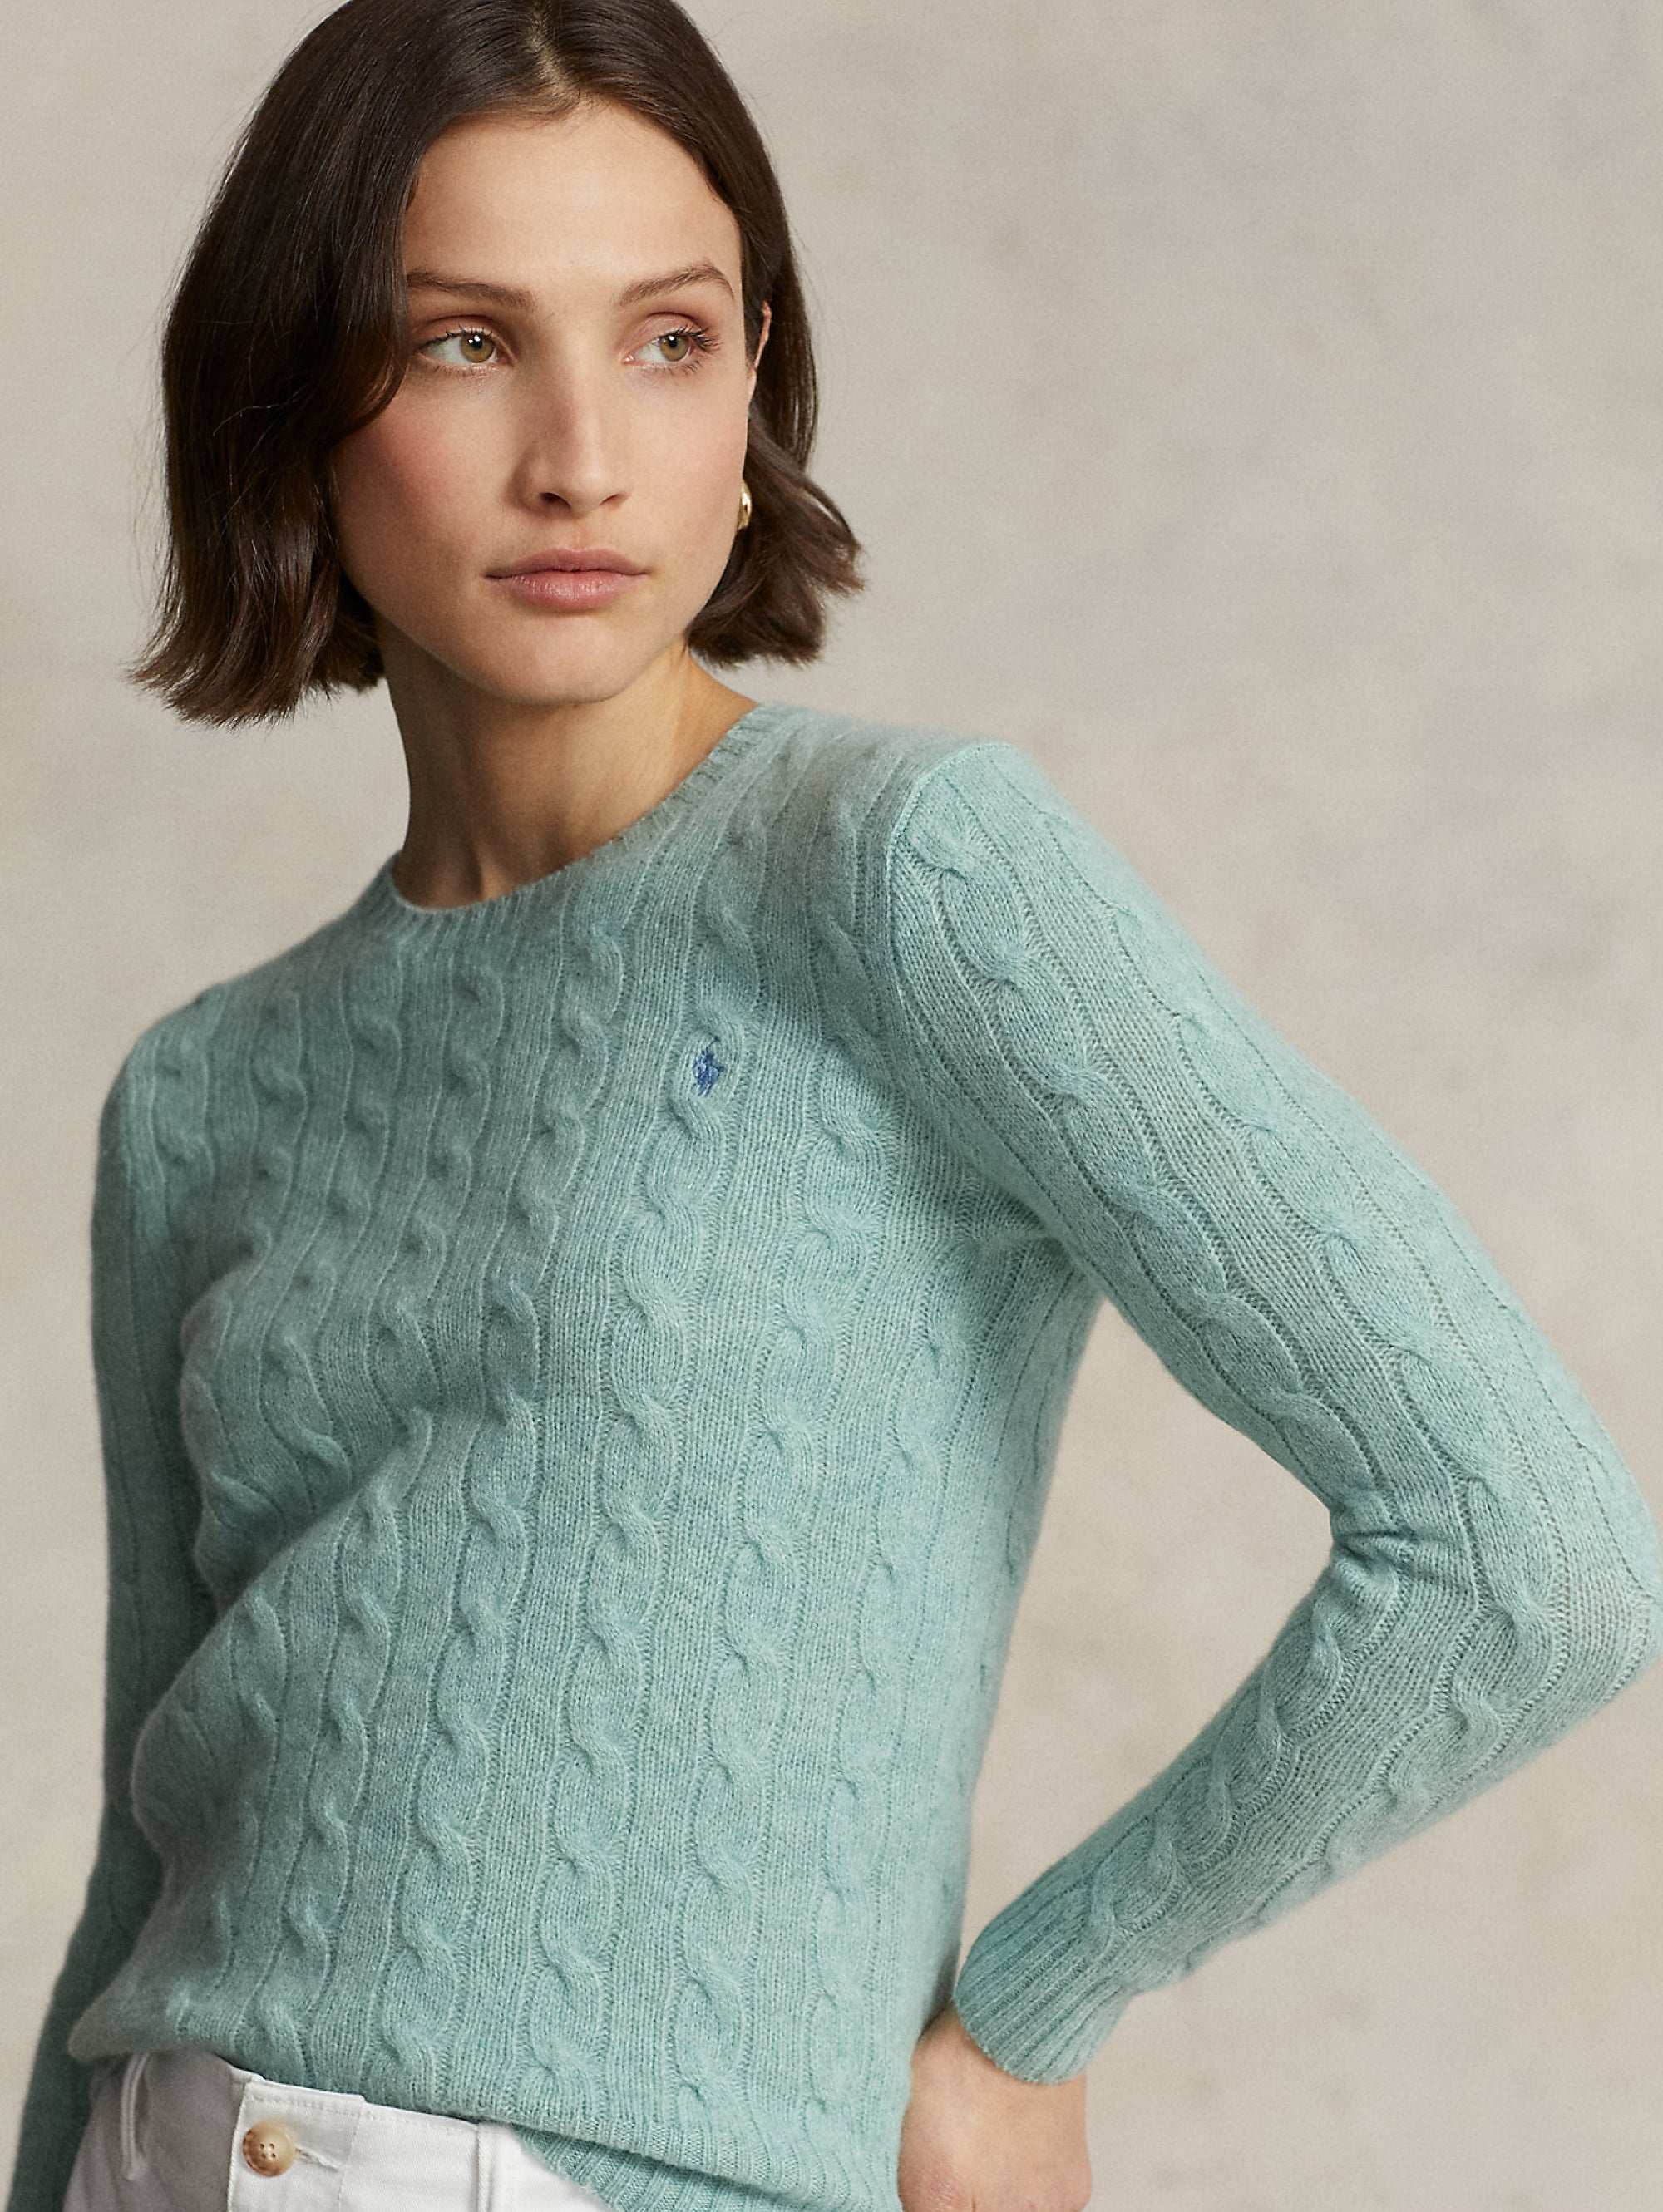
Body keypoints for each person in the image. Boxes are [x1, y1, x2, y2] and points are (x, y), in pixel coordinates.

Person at [10, 1, 1663, 2209]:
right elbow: (143, 1854)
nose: (583, 457)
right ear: (292, 394)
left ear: (755, 383)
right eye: (465, 344)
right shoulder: (201, 1094)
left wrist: (1040, 2007)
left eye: (669, 340)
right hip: (161, 2149)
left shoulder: (901, 878)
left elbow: (1530, 1549)